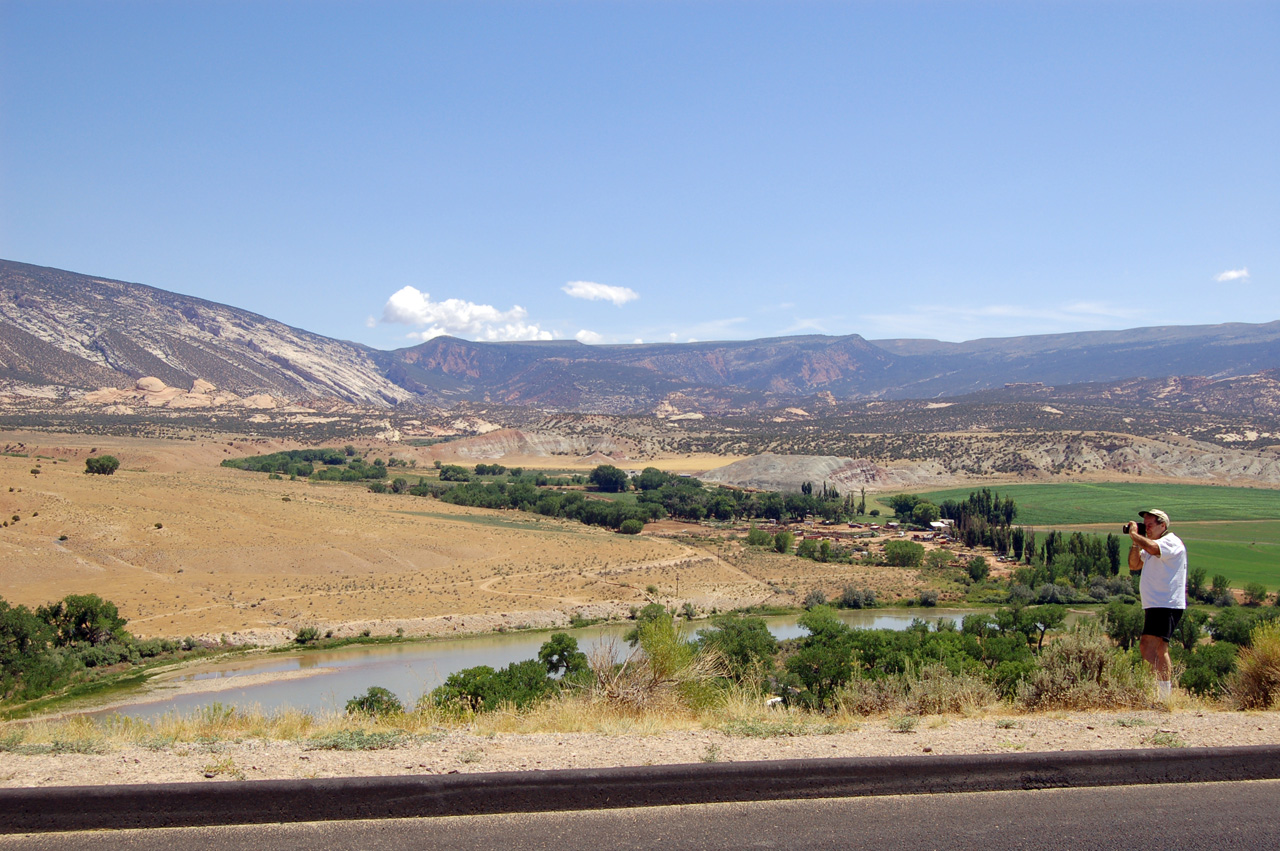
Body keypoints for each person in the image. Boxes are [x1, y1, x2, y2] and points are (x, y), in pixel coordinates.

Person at [1127, 508, 1187, 700]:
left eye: (1150, 524)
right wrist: (1135, 542)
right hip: (1154, 604)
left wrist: (1136, 535)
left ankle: (1165, 696)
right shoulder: (1152, 545)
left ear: (1163, 525)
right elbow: (1134, 565)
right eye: (1145, 525)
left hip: (1167, 603)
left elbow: (1154, 549)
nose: (1148, 528)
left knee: (1161, 647)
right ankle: (1162, 684)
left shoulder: (1170, 542)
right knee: (1146, 646)